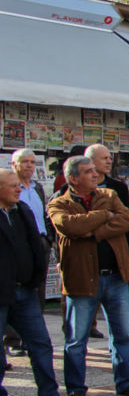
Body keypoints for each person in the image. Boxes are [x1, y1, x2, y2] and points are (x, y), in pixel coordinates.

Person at [48, 155, 129, 396]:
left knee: (122, 335)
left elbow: (125, 221)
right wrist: (104, 216)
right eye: (88, 171)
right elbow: (70, 226)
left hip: (115, 277)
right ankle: (76, 388)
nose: (95, 174)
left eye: (94, 170)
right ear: (73, 178)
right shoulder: (59, 203)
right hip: (81, 280)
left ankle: (125, 382)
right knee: (77, 339)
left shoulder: (111, 195)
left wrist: (92, 230)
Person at [0, 168, 74, 396]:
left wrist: (35, 279)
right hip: (1, 293)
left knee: (41, 344)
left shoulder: (23, 211)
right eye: (12, 186)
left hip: (25, 292)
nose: (18, 189)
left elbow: (35, 244)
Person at [82, 144, 129, 339]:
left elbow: (126, 222)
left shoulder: (117, 187)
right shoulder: (75, 190)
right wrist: (106, 217)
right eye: (104, 158)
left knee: (121, 330)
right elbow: (76, 226)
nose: (109, 161)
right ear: (90, 162)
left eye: (110, 157)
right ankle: (90, 326)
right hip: (86, 259)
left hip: (115, 258)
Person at [6, 149, 54, 359]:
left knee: (38, 290)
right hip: (18, 245)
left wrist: (48, 238)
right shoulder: (9, 188)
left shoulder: (37, 187)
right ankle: (13, 340)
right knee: (12, 293)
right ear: (14, 164)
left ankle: (31, 335)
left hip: (40, 242)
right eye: (24, 161)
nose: (29, 166)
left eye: (32, 162)